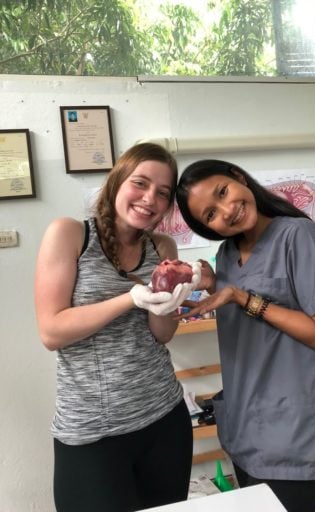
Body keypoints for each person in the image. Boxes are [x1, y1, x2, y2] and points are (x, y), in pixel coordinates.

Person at [175, 159, 315, 512]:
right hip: (245, 430)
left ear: (239, 178)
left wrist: (242, 297)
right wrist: (214, 285)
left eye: (223, 192)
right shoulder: (226, 254)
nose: (227, 211)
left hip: (294, 431)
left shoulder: (299, 236)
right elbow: (246, 317)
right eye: (210, 215)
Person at [34, 142, 201, 512]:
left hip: (164, 419)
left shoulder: (163, 247)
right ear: (116, 183)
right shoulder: (70, 234)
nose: (149, 199)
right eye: (140, 184)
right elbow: (51, 331)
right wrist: (132, 298)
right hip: (91, 433)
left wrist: (168, 302)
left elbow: (162, 334)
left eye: (162, 192)